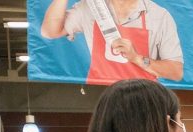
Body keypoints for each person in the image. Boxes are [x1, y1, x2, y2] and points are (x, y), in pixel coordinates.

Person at [41, 0, 184, 83]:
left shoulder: (159, 16)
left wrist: (136, 58)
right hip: (103, 99)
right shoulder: (90, 7)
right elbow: (50, 31)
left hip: (144, 100)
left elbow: (176, 72)